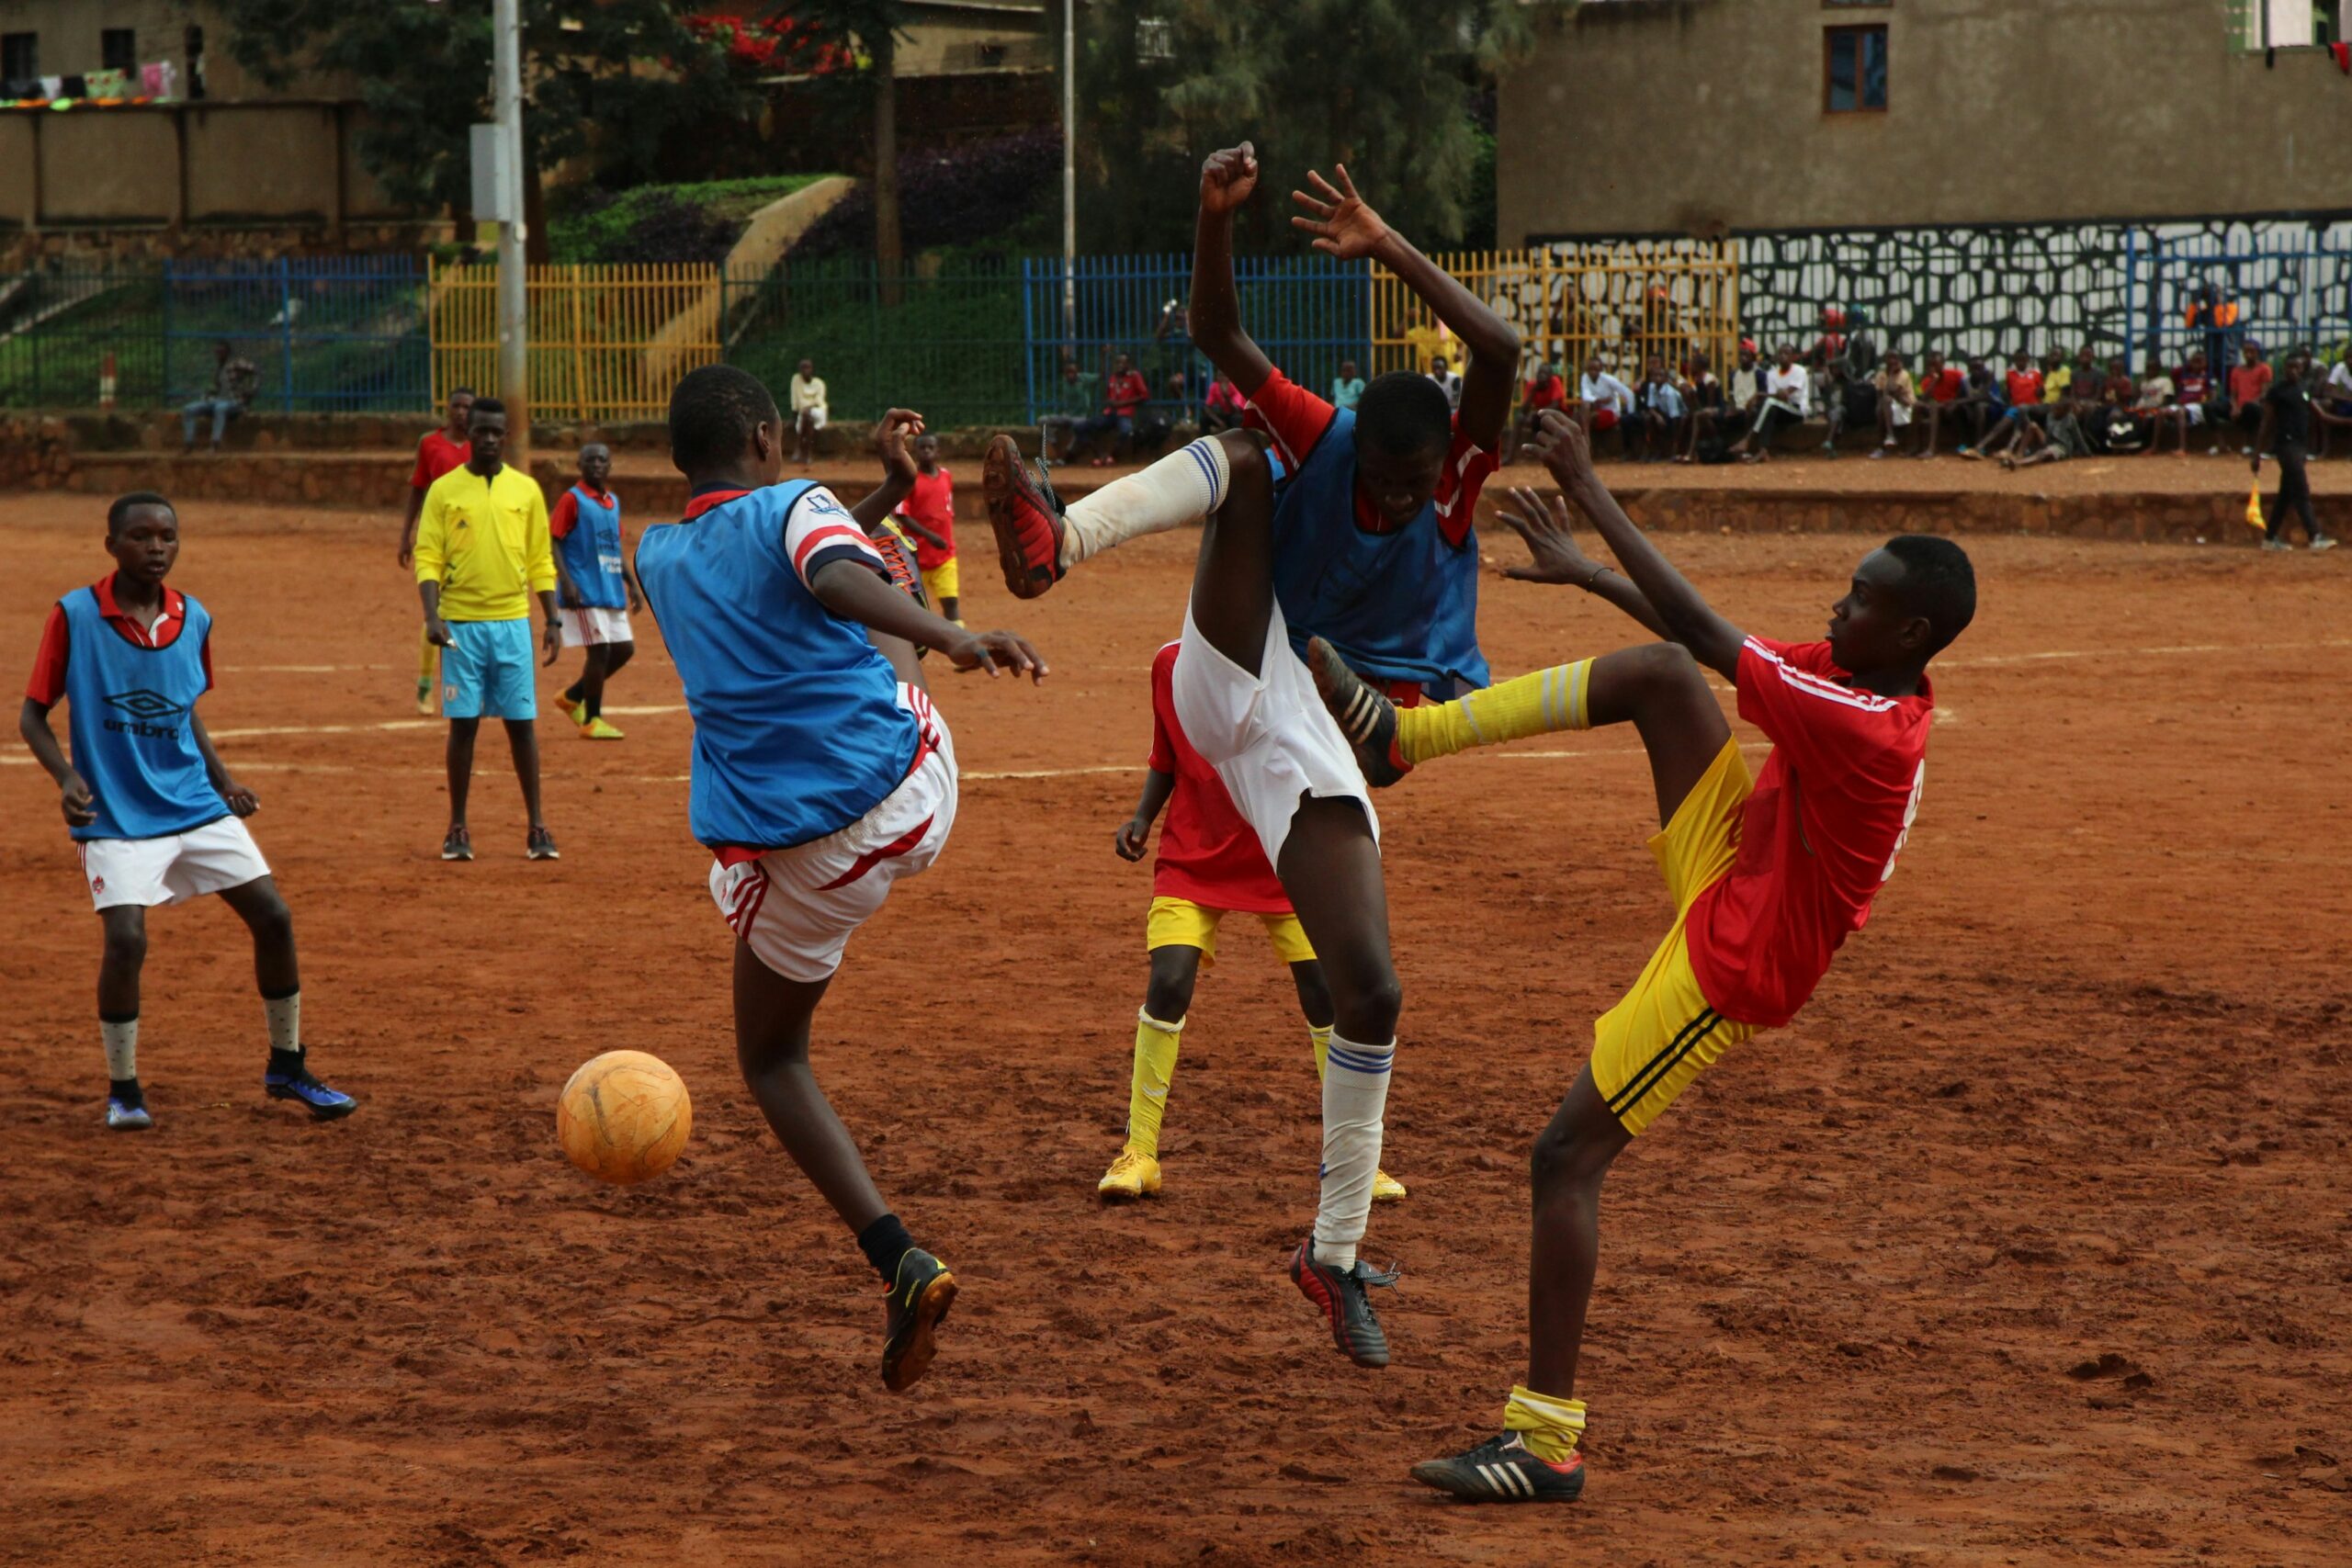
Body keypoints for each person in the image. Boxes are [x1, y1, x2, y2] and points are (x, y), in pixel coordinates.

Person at [1306, 413, 1973, 1504]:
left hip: (1738, 957)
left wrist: (1591, 489)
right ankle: (1403, 740)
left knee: (1564, 1160)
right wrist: (1587, 574)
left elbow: (1721, 632)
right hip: (1740, 861)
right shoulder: (1871, 675)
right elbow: (1700, 642)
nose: (1834, 609)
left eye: (1857, 600)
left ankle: (1545, 1440)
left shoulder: (1864, 719)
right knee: (1660, 674)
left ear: (1908, 634)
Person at [982, 143, 1521, 1366]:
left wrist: (1388, 243)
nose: (1387, 501)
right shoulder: (1330, 444)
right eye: (1378, 482)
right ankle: (1052, 543)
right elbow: (1221, 333)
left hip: (1314, 732)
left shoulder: (1456, 478)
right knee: (1240, 455)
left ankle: (1329, 1255)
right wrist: (1209, 218)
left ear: (1445, 466)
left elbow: (1496, 354)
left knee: (1373, 989)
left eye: (1407, 483)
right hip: (1244, 664)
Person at [633, 370, 1045, 1393]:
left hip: (804, 854)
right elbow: (816, 568)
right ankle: (905, 1265)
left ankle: (893, 1253)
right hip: (910, 783)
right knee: (871, 597)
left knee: (773, 1061)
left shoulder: (656, 554)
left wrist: (875, 508)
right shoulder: (800, 505)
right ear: (770, 436)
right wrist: (944, 628)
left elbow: (787, 559)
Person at [19, 491, 358, 1132]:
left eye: (168, 537)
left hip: (193, 803)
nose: (156, 548)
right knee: (125, 940)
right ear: (111, 544)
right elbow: (33, 713)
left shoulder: (193, 617)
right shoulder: (74, 615)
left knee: (274, 916)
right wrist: (65, 776)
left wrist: (224, 780)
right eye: (141, 536)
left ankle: (287, 1066)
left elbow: (182, 708)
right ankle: (124, 1088)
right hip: (114, 813)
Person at [1101, 638, 1408, 1206]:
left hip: (1285, 847)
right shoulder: (1170, 663)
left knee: (1326, 994)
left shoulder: (1300, 663)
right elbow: (1166, 754)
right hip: (1194, 854)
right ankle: (1139, 1152)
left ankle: (1357, 1159)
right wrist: (1143, 816)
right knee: (1169, 981)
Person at [413, 398, 561, 863]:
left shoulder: (527, 491)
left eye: (498, 432)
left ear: (507, 436)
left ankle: (537, 825)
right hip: (461, 625)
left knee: (522, 726)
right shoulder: (444, 490)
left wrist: (553, 618)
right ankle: (457, 826)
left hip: (513, 622)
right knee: (464, 726)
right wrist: (432, 616)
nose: (491, 440)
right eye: (483, 432)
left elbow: (541, 559)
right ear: (469, 434)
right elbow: (428, 556)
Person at [548, 442, 643, 740]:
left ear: (610, 465)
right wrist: (566, 581)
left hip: (609, 588)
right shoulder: (571, 500)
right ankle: (592, 719)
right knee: (599, 651)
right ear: (580, 464)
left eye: (602, 459)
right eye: (590, 460)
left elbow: (614, 546)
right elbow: (553, 541)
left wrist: (632, 585)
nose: (597, 464)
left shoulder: (612, 502)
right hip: (584, 590)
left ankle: (573, 696)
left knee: (624, 649)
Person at [396, 387, 477, 716]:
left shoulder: (481, 446)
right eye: (456, 406)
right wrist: (406, 535)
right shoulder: (430, 443)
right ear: (447, 409)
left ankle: (463, 687)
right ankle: (426, 687)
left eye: (466, 407)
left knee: (470, 610)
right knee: (438, 609)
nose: (460, 412)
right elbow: (418, 488)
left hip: (474, 537)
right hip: (441, 536)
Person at [2254, 346, 2341, 551]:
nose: (2294, 371)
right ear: (2284, 369)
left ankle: (2270, 537)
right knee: (2301, 491)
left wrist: (2346, 421)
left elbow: (2321, 415)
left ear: (2302, 369)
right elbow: (2266, 422)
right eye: (2290, 367)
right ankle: (2315, 536)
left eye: (2298, 367)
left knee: (2286, 494)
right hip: (2286, 446)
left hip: (2300, 447)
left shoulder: (2303, 389)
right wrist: (2257, 453)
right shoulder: (2277, 392)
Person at [891, 431, 962, 626]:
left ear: (938, 451)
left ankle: (961, 643)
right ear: (915, 452)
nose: (927, 452)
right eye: (922, 448)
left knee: (951, 603)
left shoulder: (946, 476)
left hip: (945, 555)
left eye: (931, 447)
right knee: (915, 609)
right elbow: (901, 514)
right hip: (915, 557)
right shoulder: (909, 479)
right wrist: (930, 536)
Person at [1682, 341, 1762, 463]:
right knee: (1689, 417)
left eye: (1746, 355)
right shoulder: (1734, 374)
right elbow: (1732, 396)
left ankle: (1691, 452)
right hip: (1731, 409)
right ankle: (1686, 451)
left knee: (1699, 415)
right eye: (1740, 355)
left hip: (1721, 409)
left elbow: (1710, 404)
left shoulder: (1710, 380)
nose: (1742, 358)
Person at [1963, 351, 2046, 459]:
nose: (2021, 362)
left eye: (2023, 359)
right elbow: (2008, 392)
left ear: (2028, 360)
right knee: (2001, 425)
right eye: (2018, 360)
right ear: (2014, 361)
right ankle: (1979, 448)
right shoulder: (2010, 374)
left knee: (2020, 417)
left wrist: (2041, 391)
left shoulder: (2036, 373)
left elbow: (2042, 394)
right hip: (2016, 407)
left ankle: (2008, 449)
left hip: (2032, 407)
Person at [1073, 353, 1151, 466]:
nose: (1120, 365)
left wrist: (1123, 403)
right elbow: (1110, 396)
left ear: (1128, 365)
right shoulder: (1113, 378)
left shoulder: (1134, 376)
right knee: (1080, 427)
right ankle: (1099, 455)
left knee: (1126, 431)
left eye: (1123, 363)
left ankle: (1111, 455)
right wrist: (1110, 402)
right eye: (1118, 362)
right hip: (1110, 413)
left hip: (1125, 413)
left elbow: (1144, 396)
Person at [1734, 344, 1808, 463]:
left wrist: (1760, 395)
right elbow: (1776, 396)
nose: (1783, 356)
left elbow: (1785, 395)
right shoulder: (1772, 374)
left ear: (1793, 357)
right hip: (1778, 408)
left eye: (1786, 354)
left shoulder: (1800, 371)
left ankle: (1748, 439)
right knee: (1766, 408)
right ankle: (1763, 450)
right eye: (1781, 353)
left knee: (1768, 403)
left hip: (1796, 410)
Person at [180, 341, 255, 454]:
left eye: (221, 352)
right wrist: (210, 393)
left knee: (219, 408)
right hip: (218, 400)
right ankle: (189, 443)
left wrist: (253, 389)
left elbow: (256, 371)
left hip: (235, 402)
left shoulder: (236, 363)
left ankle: (215, 444)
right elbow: (219, 388)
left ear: (227, 352)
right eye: (217, 353)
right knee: (189, 409)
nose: (218, 355)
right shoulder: (219, 369)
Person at [1936, 355, 2000, 458]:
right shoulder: (1965, 381)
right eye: (1974, 368)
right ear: (1969, 369)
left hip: (1993, 409)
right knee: (1957, 409)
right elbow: (1960, 397)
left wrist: (1959, 402)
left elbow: (1983, 396)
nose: (1977, 371)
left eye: (1980, 368)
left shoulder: (1989, 377)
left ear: (1984, 368)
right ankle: (1964, 442)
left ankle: (1979, 446)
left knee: (1979, 406)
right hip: (1974, 407)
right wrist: (1955, 404)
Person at [1041, 354, 1101, 462]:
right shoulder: (1065, 381)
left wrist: (1103, 355)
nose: (1070, 375)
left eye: (1073, 372)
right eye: (1068, 372)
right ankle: (1055, 451)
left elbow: (1100, 376)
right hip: (1066, 415)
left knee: (1080, 428)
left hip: (1080, 417)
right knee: (1043, 420)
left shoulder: (1084, 379)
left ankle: (1065, 456)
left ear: (1077, 372)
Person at [1626, 356, 1685, 463]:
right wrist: (1658, 417)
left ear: (1666, 379)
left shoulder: (1670, 393)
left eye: (1661, 376)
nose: (1657, 378)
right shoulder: (1652, 387)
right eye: (1655, 375)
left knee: (1664, 423)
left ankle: (1673, 451)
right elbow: (1651, 407)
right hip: (1662, 414)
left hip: (1677, 416)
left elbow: (1675, 416)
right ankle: (1651, 449)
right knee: (1648, 418)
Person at [1575, 355, 1635, 452]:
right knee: (1581, 410)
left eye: (1595, 369)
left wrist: (1631, 413)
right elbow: (1586, 396)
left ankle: (1587, 442)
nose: (1592, 372)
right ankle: (1586, 439)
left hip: (1611, 412)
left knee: (1588, 416)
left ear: (1600, 369)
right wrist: (1601, 401)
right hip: (1595, 410)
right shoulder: (1585, 378)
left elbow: (1628, 393)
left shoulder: (1608, 379)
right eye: (1590, 369)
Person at [1909, 350, 1964, 457]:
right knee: (1918, 405)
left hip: (1953, 407)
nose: (1933, 368)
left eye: (1936, 365)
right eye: (1930, 366)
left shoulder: (1956, 375)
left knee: (1934, 407)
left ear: (1942, 364)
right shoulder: (1926, 381)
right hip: (1938, 407)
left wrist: (1954, 402)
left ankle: (1932, 448)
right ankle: (1915, 446)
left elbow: (1964, 391)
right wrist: (1934, 381)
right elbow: (1925, 399)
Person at [2228, 342, 2274, 457]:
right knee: (2210, 408)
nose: (2248, 355)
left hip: (2257, 406)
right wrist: (2234, 407)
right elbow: (2233, 395)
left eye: (2252, 352)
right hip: (2240, 407)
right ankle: (2222, 445)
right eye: (2246, 352)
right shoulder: (2237, 371)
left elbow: (2264, 394)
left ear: (2257, 353)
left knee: (2249, 408)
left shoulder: (2264, 369)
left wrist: (2243, 407)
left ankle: (2249, 445)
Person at [1869, 350, 1917, 458]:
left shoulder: (1904, 374)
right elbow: (1880, 395)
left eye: (1895, 358)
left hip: (1905, 406)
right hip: (1890, 407)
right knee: (1880, 409)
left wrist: (1891, 374)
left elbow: (1894, 392)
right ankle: (1882, 446)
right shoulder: (1881, 375)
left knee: (1884, 404)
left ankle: (1890, 436)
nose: (1892, 361)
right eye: (1889, 358)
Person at [2175, 349, 2222, 455]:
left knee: (2181, 412)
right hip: (2183, 404)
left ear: (2205, 363)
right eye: (2194, 361)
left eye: (2199, 361)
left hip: (2198, 405)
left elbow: (2213, 395)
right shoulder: (2185, 376)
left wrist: (2206, 404)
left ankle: (2182, 447)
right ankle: (2153, 446)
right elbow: (2179, 391)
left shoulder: (2209, 376)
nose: (2196, 364)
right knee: (2161, 412)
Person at [789, 358, 828, 468]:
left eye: (808, 367)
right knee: (807, 419)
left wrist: (809, 408)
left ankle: (798, 448)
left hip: (818, 411)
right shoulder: (796, 380)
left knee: (808, 415)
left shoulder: (819, 383)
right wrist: (795, 414)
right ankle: (808, 454)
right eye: (803, 367)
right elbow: (795, 400)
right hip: (803, 414)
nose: (805, 370)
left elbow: (819, 402)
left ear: (812, 369)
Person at [1200, 367, 1248, 434]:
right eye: (1219, 375)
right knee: (1204, 420)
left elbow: (1236, 410)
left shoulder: (1235, 386)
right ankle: (1205, 442)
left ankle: (1236, 441)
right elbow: (1207, 407)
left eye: (1224, 375)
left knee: (1235, 418)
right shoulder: (1214, 386)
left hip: (1240, 414)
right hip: (1226, 415)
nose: (1221, 378)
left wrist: (1226, 396)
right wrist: (1218, 421)